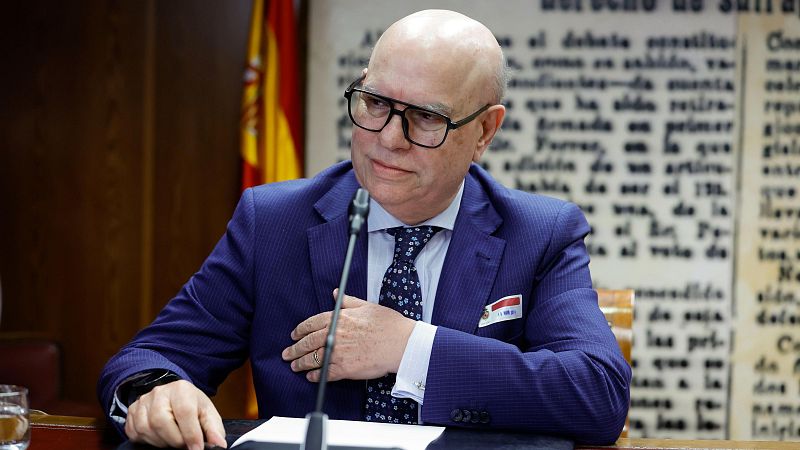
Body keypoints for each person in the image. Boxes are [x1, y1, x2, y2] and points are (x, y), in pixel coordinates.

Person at [98, 9, 631, 450]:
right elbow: (149, 358)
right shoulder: (275, 221)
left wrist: (410, 349)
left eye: (424, 117)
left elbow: (598, 393)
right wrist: (160, 392)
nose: (388, 139)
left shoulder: (539, 233)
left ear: (485, 130)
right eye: (375, 104)